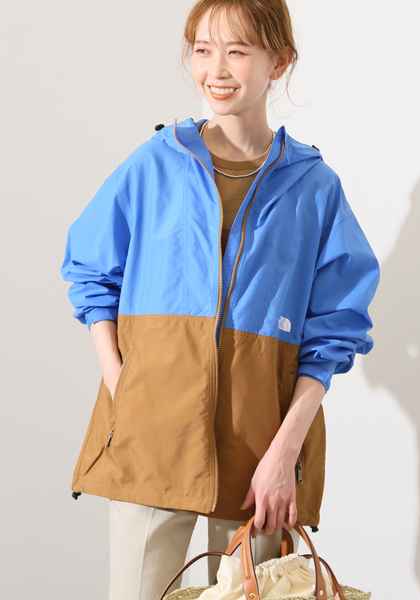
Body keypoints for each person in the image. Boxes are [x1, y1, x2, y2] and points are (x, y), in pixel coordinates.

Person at [60, 1, 380, 599]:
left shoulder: (314, 188)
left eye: (236, 51)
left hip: (262, 450)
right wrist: (122, 386)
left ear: (278, 61)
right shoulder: (156, 163)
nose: (216, 69)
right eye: (203, 50)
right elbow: (91, 273)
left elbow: (335, 330)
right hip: (152, 434)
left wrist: (285, 452)